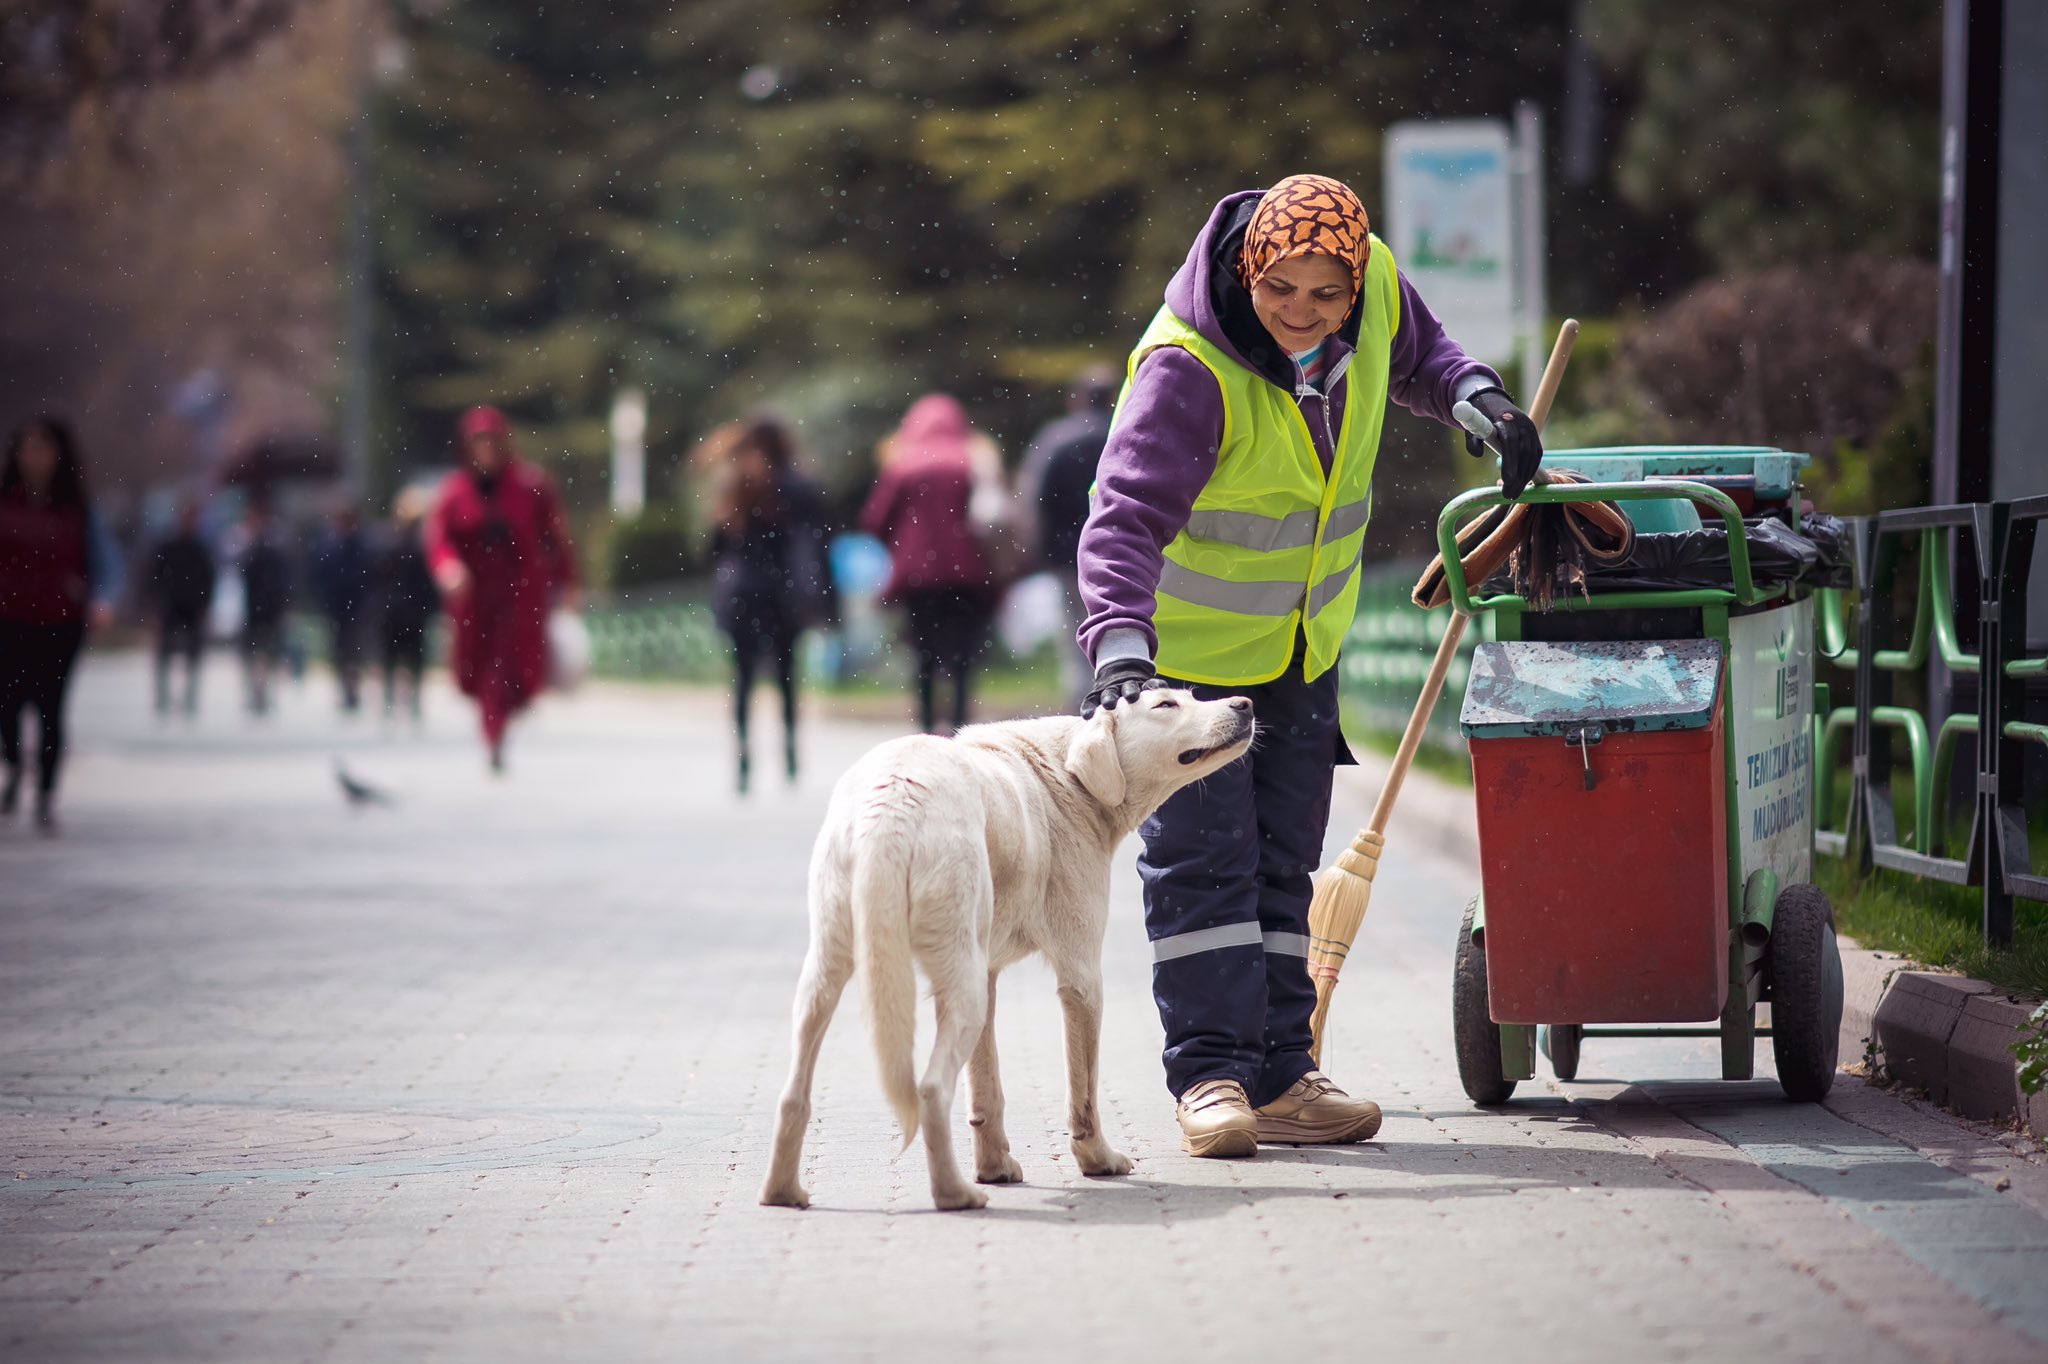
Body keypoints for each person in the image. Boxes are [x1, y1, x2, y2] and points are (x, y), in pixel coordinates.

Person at [1075, 175, 1545, 1158]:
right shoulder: (1187, 368)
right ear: (1248, 271)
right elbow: (1121, 520)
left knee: (1281, 864)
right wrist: (1118, 642)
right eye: (1279, 289)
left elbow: (1423, 357)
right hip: (1188, 669)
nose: (1300, 312)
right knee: (1204, 867)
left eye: (1323, 294)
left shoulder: (1374, 282)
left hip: (1301, 648)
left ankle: (1283, 1071)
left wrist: (1484, 407)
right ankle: (1209, 1076)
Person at [425, 406, 578, 772]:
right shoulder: (454, 493)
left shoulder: (531, 486)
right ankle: (494, 728)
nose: (486, 451)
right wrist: (448, 568)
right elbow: (440, 540)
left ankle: (497, 731)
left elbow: (554, 538)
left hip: (519, 595)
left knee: (510, 669)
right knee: (478, 670)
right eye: (479, 443)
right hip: (474, 600)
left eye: (492, 442)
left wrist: (568, 582)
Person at [698, 416, 832, 793]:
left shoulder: (735, 489)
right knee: (788, 676)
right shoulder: (799, 487)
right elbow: (817, 543)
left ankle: (743, 757)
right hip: (783, 596)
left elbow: (712, 550)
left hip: (741, 595)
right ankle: (789, 751)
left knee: (742, 679)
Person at [0, 415, 122, 831]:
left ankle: (46, 795)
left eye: (41, 447)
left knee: (51, 708)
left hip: (59, 621)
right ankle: (15, 762)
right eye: (26, 446)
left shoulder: (78, 510)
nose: (32, 456)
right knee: (8, 703)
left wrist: (102, 600)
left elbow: (104, 564)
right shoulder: (6, 503)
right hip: (9, 618)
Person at [860, 395, 995, 735]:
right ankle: (962, 728)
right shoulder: (973, 461)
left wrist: (904, 544)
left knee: (923, 655)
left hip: (918, 578)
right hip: (967, 573)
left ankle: (924, 728)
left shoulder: (902, 465)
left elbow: (874, 520)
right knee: (963, 655)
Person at [1022, 366, 1119, 695]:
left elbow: (1034, 498)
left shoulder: (1055, 439)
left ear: (1076, 399)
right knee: (1118, 624)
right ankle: (1116, 693)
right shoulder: (1121, 433)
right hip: (1117, 549)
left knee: (1076, 631)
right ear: (1113, 398)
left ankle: (1082, 699)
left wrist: (1037, 548)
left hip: (1067, 551)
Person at [145, 498, 215, 718]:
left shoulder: (201, 549)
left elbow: (208, 579)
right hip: (170, 605)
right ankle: (163, 698)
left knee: (193, 654)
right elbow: (154, 577)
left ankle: (189, 699)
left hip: (192, 607)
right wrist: (155, 605)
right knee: (164, 654)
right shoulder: (167, 547)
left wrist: (206, 606)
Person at [375, 489, 439, 721]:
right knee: (409, 659)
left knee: (398, 659)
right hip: (408, 611)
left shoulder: (390, 543)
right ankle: (403, 701)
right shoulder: (418, 547)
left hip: (399, 610)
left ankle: (395, 701)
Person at [311, 502, 374, 712]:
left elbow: (369, 576)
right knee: (339, 650)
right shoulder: (329, 544)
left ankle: (352, 687)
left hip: (357, 606)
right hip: (336, 606)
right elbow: (321, 575)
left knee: (354, 650)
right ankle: (344, 688)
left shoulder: (362, 544)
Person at [237, 495, 294, 717]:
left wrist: (285, 603)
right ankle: (254, 692)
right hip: (250, 608)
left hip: (270, 608)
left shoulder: (276, 545)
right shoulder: (242, 543)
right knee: (251, 654)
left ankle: (265, 693)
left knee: (269, 652)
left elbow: (283, 578)